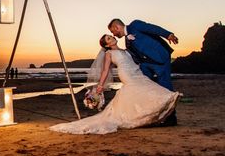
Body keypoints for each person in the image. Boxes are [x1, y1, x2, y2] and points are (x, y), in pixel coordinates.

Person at [49, 34, 180, 135]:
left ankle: (149, 113)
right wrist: (100, 86)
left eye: (110, 36)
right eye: (108, 38)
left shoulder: (125, 50)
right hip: (127, 75)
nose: (111, 38)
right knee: (142, 90)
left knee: (148, 89)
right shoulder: (109, 53)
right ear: (106, 45)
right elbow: (106, 70)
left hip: (137, 72)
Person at [108, 18, 178, 125]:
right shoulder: (127, 41)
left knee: (165, 86)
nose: (113, 34)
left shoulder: (135, 25)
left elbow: (153, 28)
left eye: (112, 31)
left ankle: (171, 118)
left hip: (159, 57)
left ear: (116, 27)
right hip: (145, 64)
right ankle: (153, 115)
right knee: (147, 87)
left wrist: (168, 35)